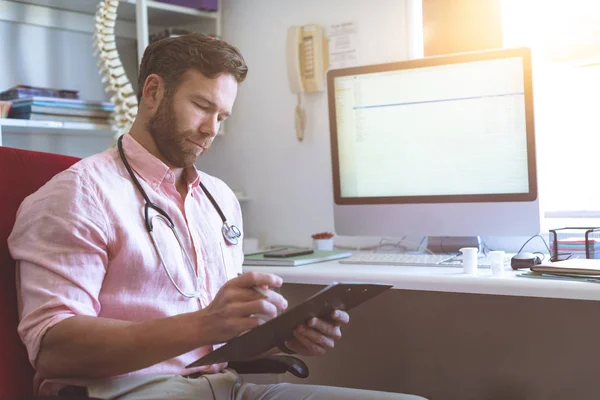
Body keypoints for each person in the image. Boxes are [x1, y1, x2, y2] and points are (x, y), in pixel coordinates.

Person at [8, 33, 425, 400]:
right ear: (152, 93)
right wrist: (206, 324)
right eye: (202, 106)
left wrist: (281, 336)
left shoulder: (218, 198)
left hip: (223, 387)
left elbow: (219, 336)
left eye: (222, 116)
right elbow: (54, 347)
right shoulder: (77, 194)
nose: (212, 129)